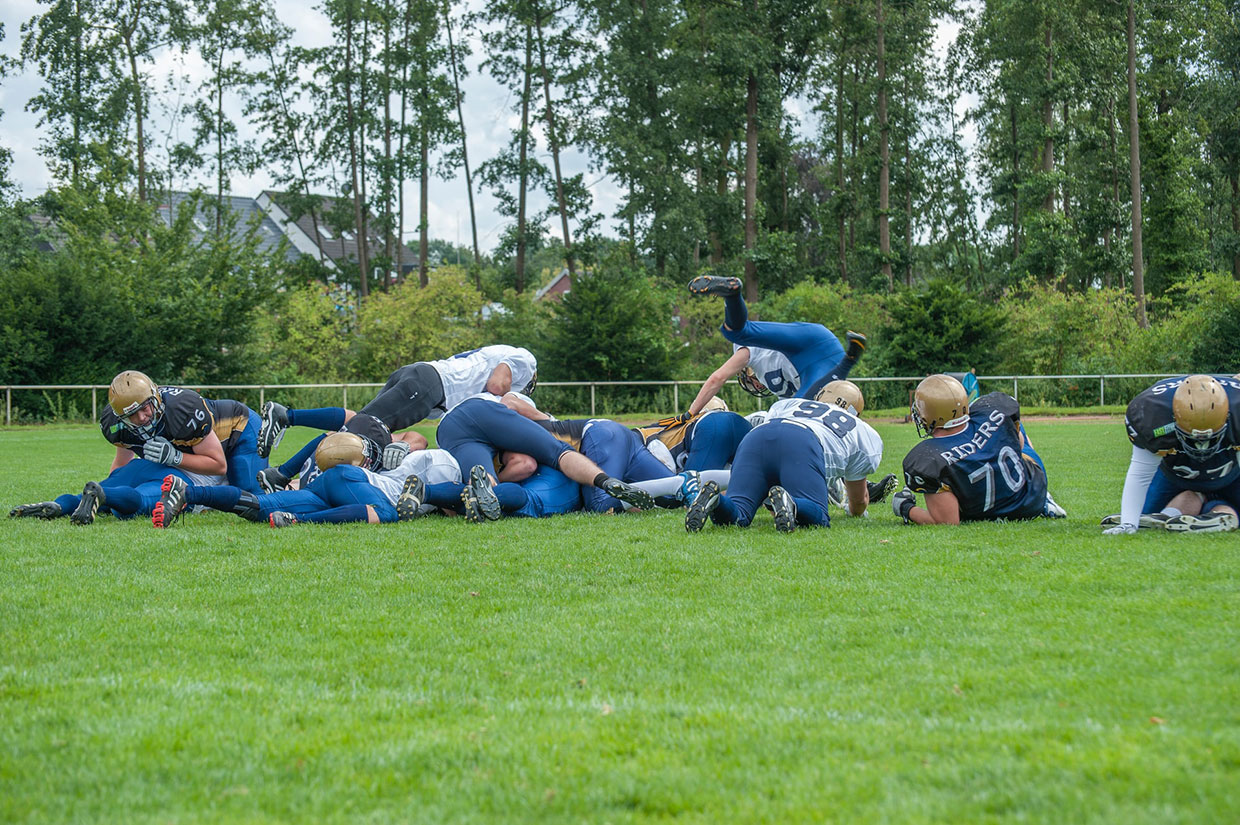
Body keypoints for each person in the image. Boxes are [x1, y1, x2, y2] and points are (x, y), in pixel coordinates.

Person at [9, 370, 265, 524]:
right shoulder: (117, 425)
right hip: (173, 469)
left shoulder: (182, 410)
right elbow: (122, 464)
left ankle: (72, 503)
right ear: (120, 417)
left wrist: (175, 457)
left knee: (251, 496)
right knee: (138, 495)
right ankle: (65, 504)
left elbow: (218, 464)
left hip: (236, 429)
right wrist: (112, 483)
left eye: (145, 408)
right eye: (133, 415)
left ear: (155, 397)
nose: (142, 417)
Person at [256, 344, 538, 458]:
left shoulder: (491, 354)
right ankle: (285, 426)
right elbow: (496, 384)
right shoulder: (525, 360)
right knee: (361, 430)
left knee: (360, 426)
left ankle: (288, 438)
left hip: (422, 377)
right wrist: (507, 406)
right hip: (431, 385)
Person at [154, 431, 462, 528]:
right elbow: (445, 501)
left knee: (260, 507)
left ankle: (190, 493)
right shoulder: (447, 464)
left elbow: (415, 442)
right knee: (387, 514)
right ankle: (299, 521)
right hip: (355, 484)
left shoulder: (429, 457)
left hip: (337, 483)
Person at [433, 392, 655, 522]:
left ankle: (479, 494)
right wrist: (545, 419)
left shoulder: (494, 441)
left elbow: (525, 464)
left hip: (446, 430)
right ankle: (604, 481)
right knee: (557, 453)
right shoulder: (509, 405)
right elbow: (510, 403)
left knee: (485, 484)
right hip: (481, 412)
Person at [684, 392, 885, 533]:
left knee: (739, 513)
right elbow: (858, 501)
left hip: (756, 437)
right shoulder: (864, 432)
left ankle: (716, 500)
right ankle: (793, 503)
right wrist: (855, 511)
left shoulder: (792, 403)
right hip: (802, 443)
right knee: (819, 515)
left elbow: (774, 430)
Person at [892, 374, 1065, 526]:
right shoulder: (995, 410)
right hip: (1032, 496)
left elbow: (947, 522)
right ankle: (1046, 501)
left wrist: (906, 508)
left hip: (985, 513)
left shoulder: (927, 458)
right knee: (1012, 427)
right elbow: (1018, 447)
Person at [684, 274, 866, 413]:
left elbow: (718, 378)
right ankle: (732, 295)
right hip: (819, 352)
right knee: (797, 410)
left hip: (806, 345)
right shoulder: (781, 395)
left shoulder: (748, 356)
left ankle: (848, 362)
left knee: (795, 411)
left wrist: (690, 414)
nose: (754, 385)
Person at [1100, 374, 1240, 534]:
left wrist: (1129, 523)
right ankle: (1186, 514)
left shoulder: (1238, 413)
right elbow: (1141, 471)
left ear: (1228, 416)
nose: (1202, 446)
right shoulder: (1153, 414)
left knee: (1228, 502)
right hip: (1175, 474)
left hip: (1230, 472)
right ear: (1173, 417)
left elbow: (1140, 475)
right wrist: (1128, 524)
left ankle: (1210, 512)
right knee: (1145, 511)